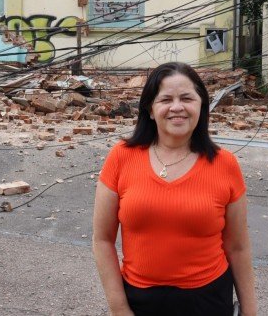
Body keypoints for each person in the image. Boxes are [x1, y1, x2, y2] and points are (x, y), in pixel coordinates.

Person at [93, 62, 257, 316]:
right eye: (166, 99)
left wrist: (250, 311)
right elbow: (102, 239)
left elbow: (237, 246)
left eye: (187, 98)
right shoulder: (121, 157)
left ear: (201, 106)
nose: (177, 107)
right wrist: (119, 308)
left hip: (208, 301)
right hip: (138, 301)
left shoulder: (225, 164)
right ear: (150, 108)